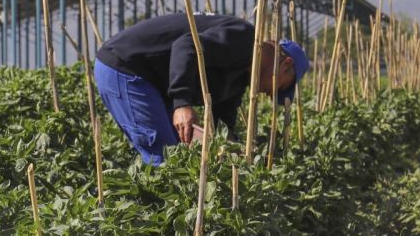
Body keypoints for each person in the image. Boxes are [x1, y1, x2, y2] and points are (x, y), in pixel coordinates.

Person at [93, 12, 308, 165]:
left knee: (182, 151)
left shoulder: (242, 76)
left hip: (149, 80)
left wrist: (234, 150)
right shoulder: (244, 40)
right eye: (280, 88)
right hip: (126, 67)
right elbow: (185, 46)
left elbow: (223, 121)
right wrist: (182, 103)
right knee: (167, 158)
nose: (271, 95)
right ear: (285, 64)